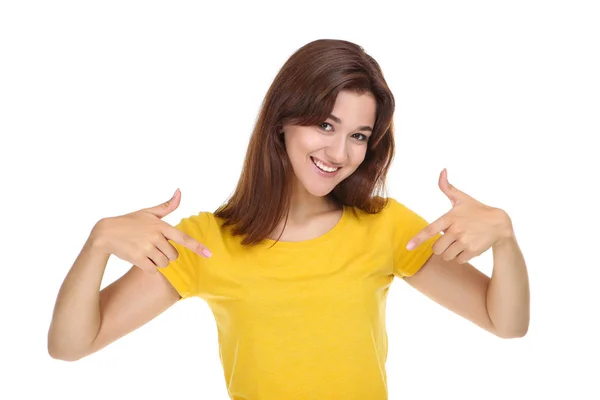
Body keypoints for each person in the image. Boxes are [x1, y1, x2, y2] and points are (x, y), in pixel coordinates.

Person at [48, 39, 530, 399]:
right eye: (325, 125)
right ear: (283, 120)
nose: (340, 153)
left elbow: (504, 323)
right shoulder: (206, 242)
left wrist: (505, 237)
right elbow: (70, 346)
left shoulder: (386, 227)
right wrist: (97, 244)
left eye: (359, 135)